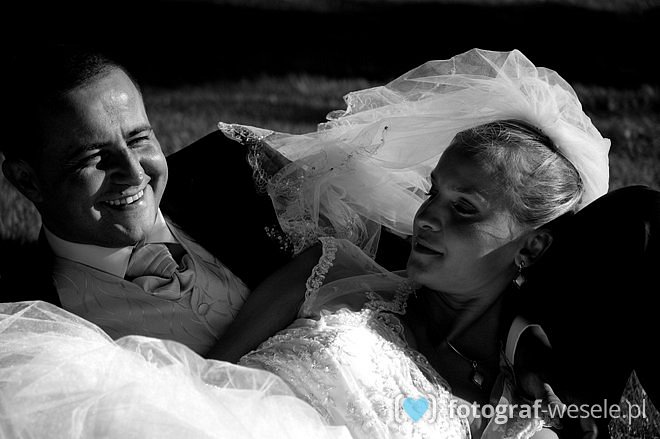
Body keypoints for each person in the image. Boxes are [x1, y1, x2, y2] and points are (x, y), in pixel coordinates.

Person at [212, 49, 659, 438]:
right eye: (432, 193)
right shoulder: (328, 270)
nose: (426, 217)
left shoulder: (517, 413)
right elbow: (207, 375)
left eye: (464, 208)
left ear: (531, 248)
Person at [0, 43, 301, 356]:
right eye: (94, 157)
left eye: (138, 139)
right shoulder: (25, 323)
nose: (133, 172)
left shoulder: (241, 171)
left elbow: (334, 255)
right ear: (27, 181)